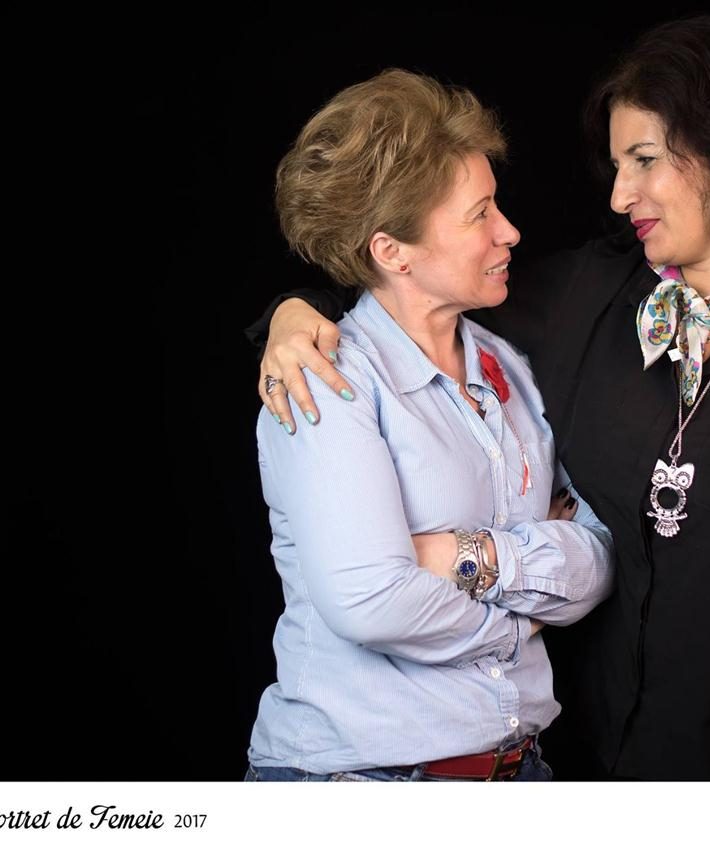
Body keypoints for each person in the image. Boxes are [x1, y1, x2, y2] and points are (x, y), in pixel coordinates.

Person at [251, 15, 710, 780]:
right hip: (608, 758)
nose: (618, 196)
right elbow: (413, 289)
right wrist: (295, 312)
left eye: (643, 160)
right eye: (616, 165)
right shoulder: (588, 295)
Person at [244, 68, 614, 782]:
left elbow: (597, 553)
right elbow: (372, 602)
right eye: (479, 214)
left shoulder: (511, 367)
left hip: (518, 770)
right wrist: (526, 613)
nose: (510, 230)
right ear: (392, 252)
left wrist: (461, 555)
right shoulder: (327, 381)